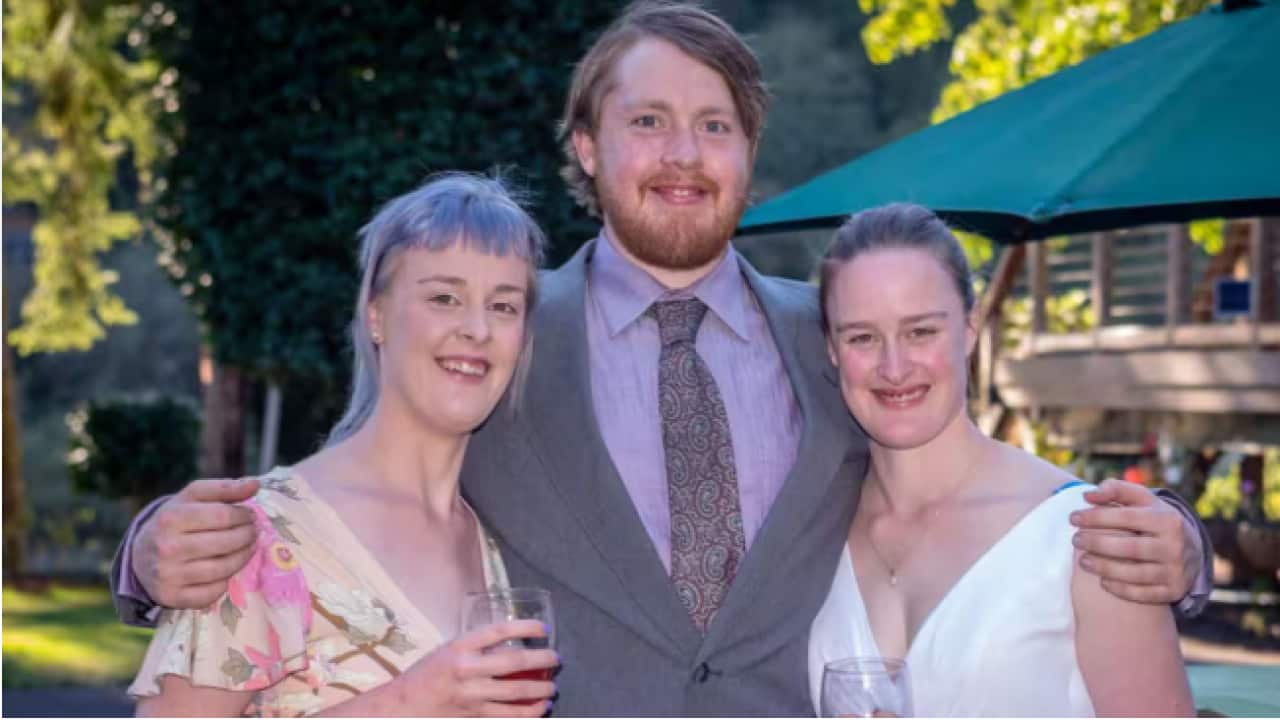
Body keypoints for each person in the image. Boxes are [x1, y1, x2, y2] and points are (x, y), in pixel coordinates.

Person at [112, 3, 1212, 715]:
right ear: (587, 149)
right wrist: (155, 548)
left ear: (746, 153)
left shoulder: (827, 337)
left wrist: (1171, 539)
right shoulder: (497, 331)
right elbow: (347, 492)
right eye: (648, 122)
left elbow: (956, 483)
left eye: (714, 125)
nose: (682, 155)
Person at [129, 173, 559, 716]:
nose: (477, 329)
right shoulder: (261, 534)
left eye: (503, 306)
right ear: (375, 315)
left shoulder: (491, 542)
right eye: (445, 297)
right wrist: (411, 699)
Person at [808, 204, 1194, 716]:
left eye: (921, 331)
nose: (894, 367)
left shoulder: (1089, 537)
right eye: (862, 337)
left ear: (969, 329)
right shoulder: (811, 531)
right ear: (832, 350)